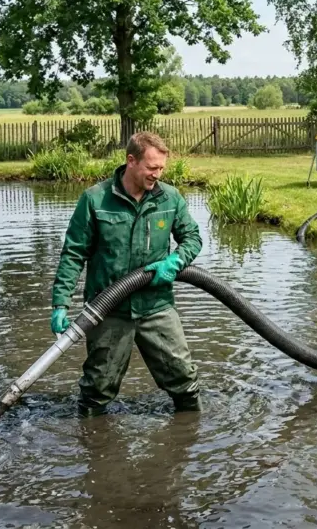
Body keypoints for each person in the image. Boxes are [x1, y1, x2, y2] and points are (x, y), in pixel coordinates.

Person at [49, 131, 204, 416]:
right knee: (98, 388)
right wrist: (60, 303)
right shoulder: (95, 200)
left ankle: (190, 438)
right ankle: (94, 444)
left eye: (162, 168)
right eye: (152, 167)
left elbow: (192, 237)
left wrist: (175, 261)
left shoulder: (169, 199)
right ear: (131, 161)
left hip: (156, 306)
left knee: (184, 379)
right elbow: (73, 254)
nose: (158, 174)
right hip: (108, 310)